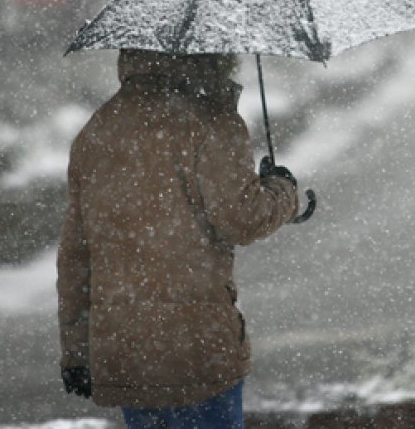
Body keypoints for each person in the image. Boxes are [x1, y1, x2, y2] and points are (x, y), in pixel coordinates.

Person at [57, 49, 299, 429]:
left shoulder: (99, 128)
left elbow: (75, 256)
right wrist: (283, 189)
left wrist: (76, 352)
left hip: (127, 352)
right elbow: (243, 218)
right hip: (197, 348)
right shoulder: (211, 121)